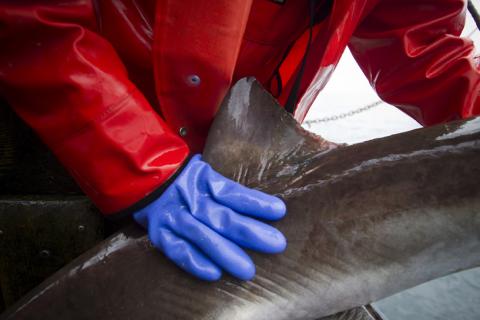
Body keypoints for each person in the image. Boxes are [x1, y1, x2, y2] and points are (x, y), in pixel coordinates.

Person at [0, 0, 478, 281]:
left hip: (248, 156)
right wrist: (134, 160)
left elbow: (424, 43)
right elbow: (30, 14)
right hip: (63, 130)